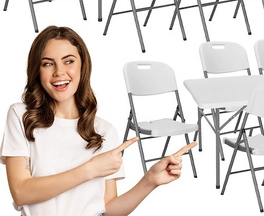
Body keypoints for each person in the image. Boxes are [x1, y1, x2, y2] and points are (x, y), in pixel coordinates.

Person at [0, 25, 196, 216]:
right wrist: (90, 169)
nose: (59, 72)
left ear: (83, 65)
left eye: (68, 61)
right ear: (37, 70)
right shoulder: (22, 116)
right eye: (48, 63)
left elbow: (108, 208)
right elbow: (21, 193)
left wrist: (150, 180)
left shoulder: (104, 130)